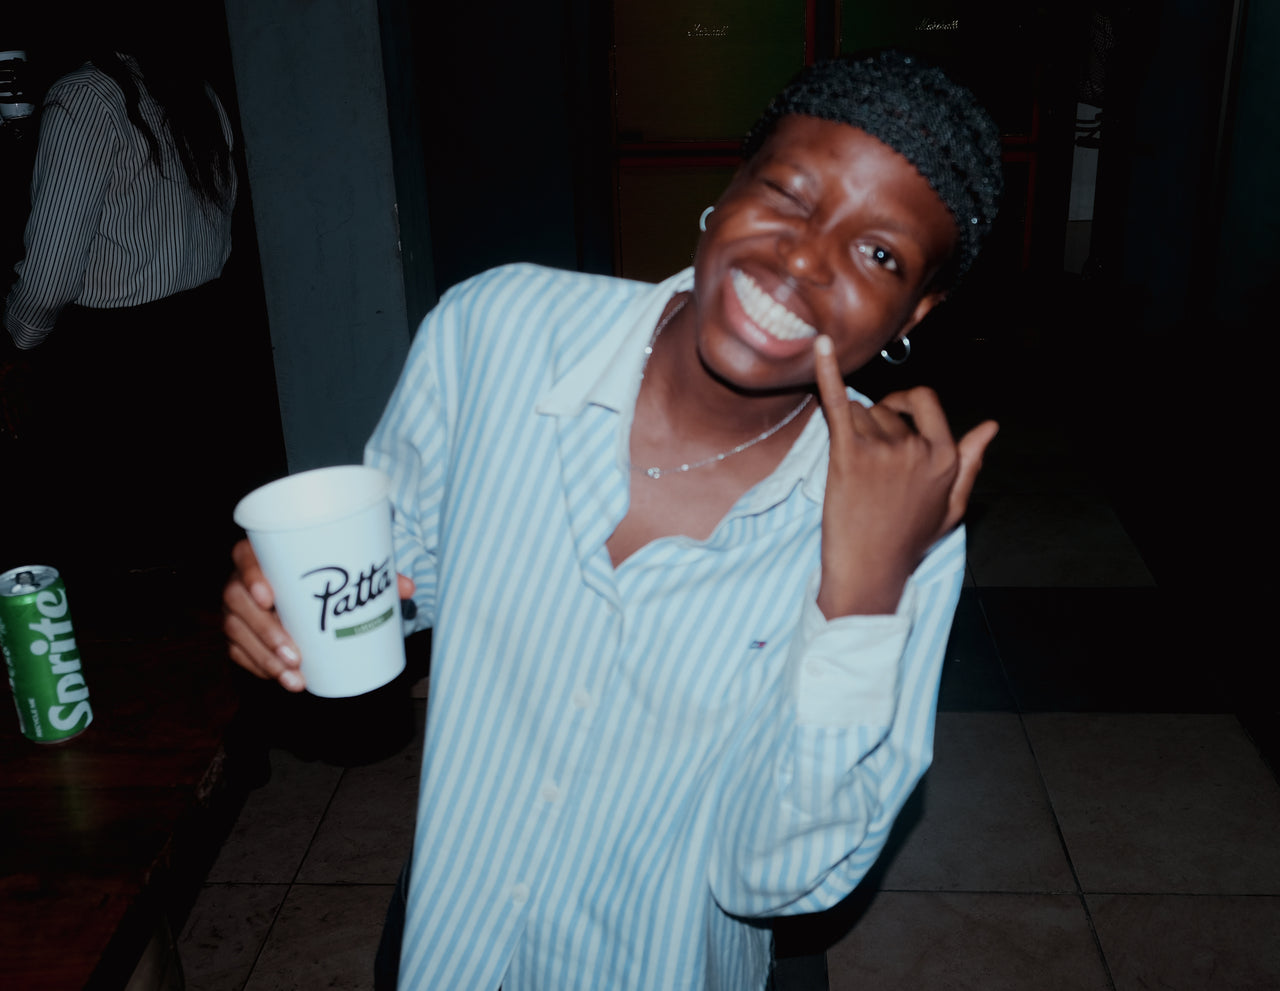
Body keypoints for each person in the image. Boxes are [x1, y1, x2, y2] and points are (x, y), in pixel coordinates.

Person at [222, 51, 1003, 991]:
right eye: (790, 193)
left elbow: (778, 880)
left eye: (880, 254)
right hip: (451, 939)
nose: (804, 258)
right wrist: (301, 606)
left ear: (916, 311)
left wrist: (859, 597)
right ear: (731, 185)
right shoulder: (495, 332)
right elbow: (407, 577)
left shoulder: (904, 521)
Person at [1, 36, 239, 581]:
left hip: (119, 371)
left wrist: (17, 337)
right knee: (193, 559)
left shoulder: (86, 97)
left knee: (121, 573)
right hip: (205, 344)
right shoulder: (195, 87)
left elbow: (48, 280)